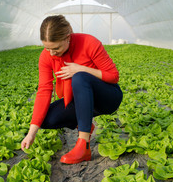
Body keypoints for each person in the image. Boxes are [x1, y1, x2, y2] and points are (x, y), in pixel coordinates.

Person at [21, 15, 123, 164]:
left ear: (67, 37)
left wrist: (81, 69)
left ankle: (83, 146)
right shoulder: (46, 56)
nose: (52, 53)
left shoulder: (89, 42)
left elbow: (113, 76)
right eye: (47, 48)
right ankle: (85, 122)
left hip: (107, 98)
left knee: (80, 77)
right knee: (46, 119)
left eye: (56, 48)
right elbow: (44, 91)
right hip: (81, 100)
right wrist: (31, 133)